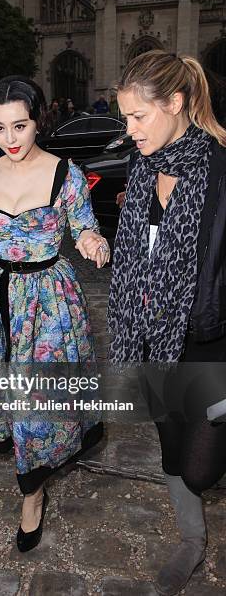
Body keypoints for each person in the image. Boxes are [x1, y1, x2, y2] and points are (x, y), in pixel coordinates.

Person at [0, 76, 109, 553]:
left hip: (50, 303)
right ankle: (31, 480)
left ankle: (30, 496)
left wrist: (94, 242)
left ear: (38, 122)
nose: (9, 140)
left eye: (20, 126)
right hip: (0, 299)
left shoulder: (64, 174)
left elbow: (84, 228)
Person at [108, 50, 226, 595]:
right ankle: (191, 540)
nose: (129, 130)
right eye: (125, 117)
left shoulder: (221, 169)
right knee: (174, 455)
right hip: (152, 339)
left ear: (176, 103)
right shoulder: (141, 168)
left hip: (210, 340)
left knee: (201, 467)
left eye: (139, 116)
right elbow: (144, 256)